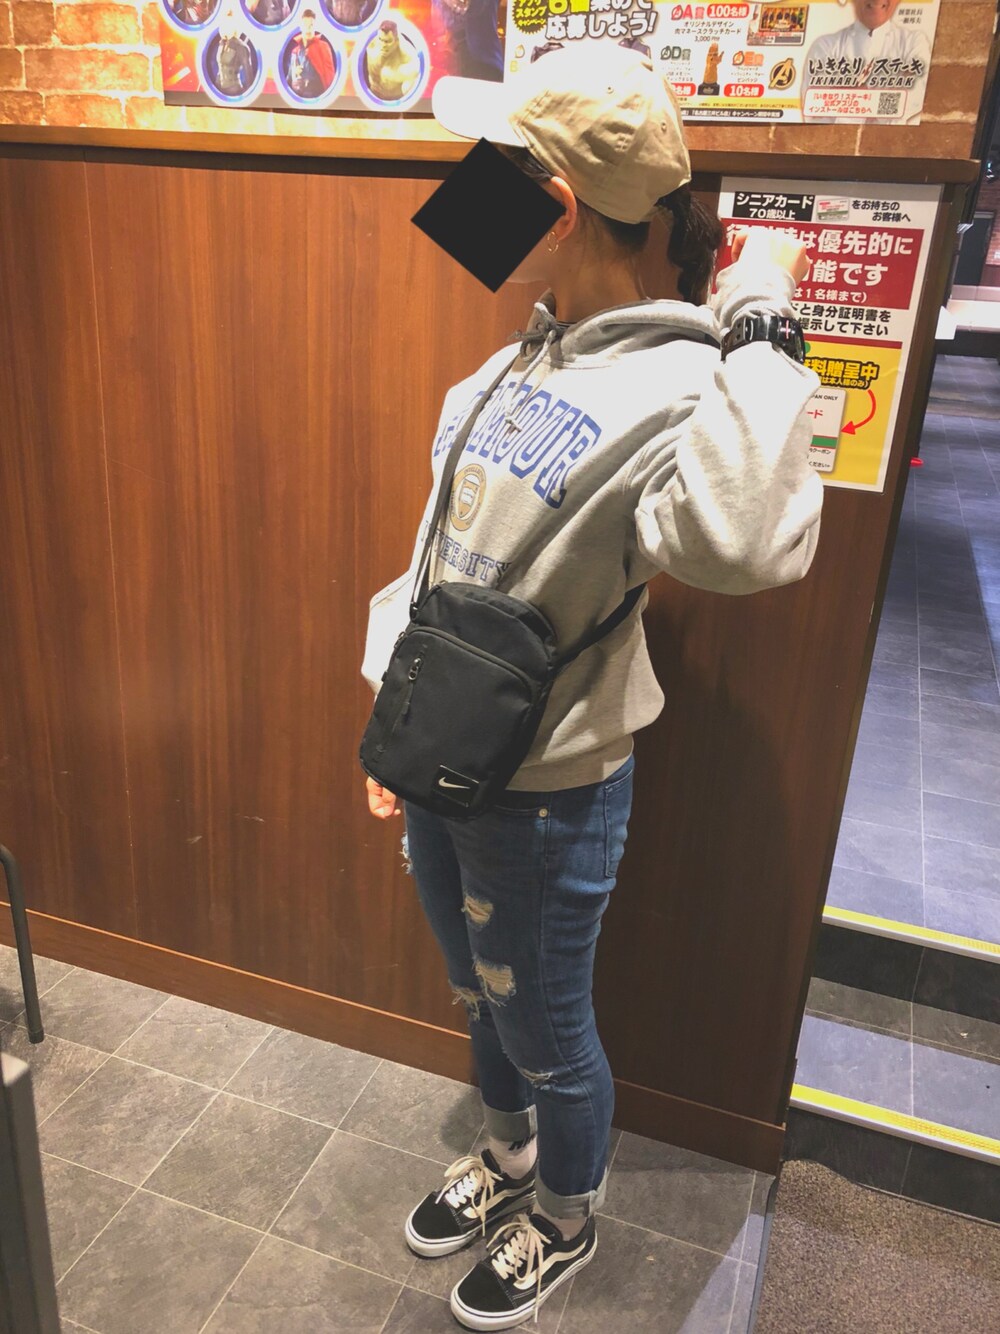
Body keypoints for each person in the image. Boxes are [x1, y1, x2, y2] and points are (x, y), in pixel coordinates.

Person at [362, 43, 823, 1332]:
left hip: (551, 794)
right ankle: (507, 1155)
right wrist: (392, 718)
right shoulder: (516, 360)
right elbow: (435, 553)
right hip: (444, 761)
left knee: (549, 1026)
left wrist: (762, 326)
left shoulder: (684, 386)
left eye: (489, 169)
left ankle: (563, 1214)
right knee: (476, 989)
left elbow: (743, 542)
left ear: (557, 203)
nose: (463, 191)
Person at [801, 0, 931, 124]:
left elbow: (916, 96)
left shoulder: (914, 42)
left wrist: (850, 100)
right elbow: (814, 108)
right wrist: (882, 100)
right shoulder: (825, 46)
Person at [286, 9, 336, 98]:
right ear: (300, 27)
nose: (308, 29)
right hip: (298, 96)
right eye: (305, 25)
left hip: (317, 95)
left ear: (315, 26)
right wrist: (294, 73)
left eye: (311, 25)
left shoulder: (323, 46)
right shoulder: (295, 52)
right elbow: (288, 80)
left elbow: (330, 76)